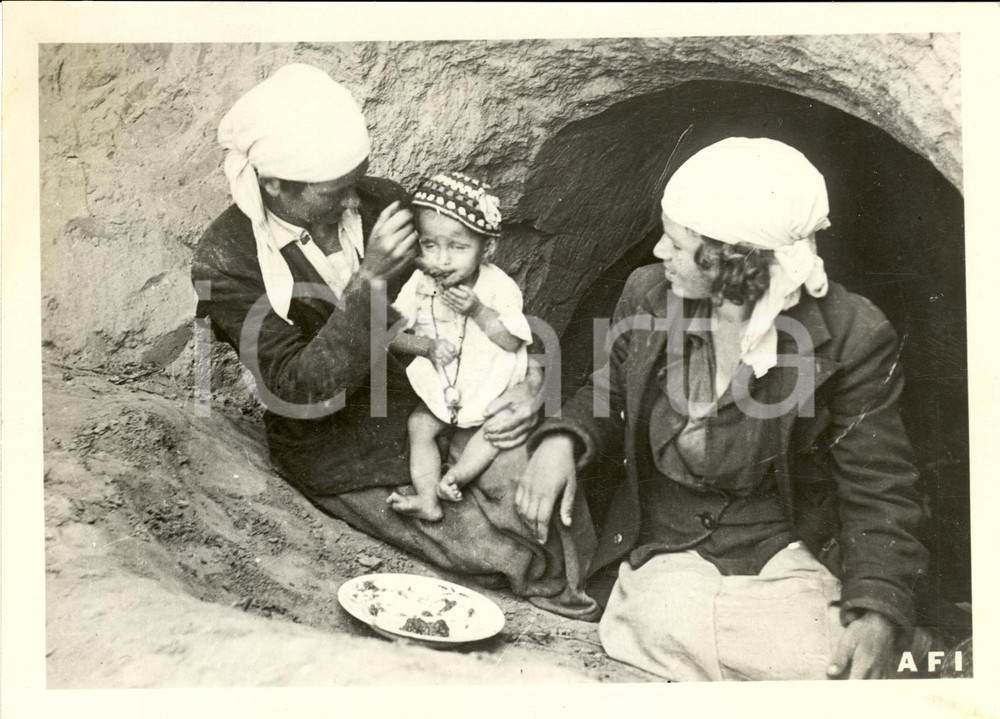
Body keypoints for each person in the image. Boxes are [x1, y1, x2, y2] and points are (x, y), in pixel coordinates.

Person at [191, 63, 596, 619]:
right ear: (274, 184)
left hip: (436, 392)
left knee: (539, 505)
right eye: (335, 191)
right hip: (340, 437)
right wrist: (370, 281)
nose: (351, 201)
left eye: (356, 181)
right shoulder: (226, 261)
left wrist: (530, 384)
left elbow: (481, 295)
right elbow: (297, 388)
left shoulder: (381, 201)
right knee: (501, 552)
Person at [517, 137, 928, 680]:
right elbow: (611, 389)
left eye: (675, 243)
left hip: (782, 553)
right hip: (667, 544)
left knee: (824, 654)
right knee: (669, 618)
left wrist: (878, 606)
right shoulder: (649, 294)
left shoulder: (852, 333)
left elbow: (877, 484)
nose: (658, 253)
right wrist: (561, 438)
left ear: (731, 258)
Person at [387, 172, 532, 521]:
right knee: (419, 425)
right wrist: (425, 346)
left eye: (458, 247)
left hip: (491, 381)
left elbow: (511, 340)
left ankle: (458, 476)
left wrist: (479, 311)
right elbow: (389, 335)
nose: (442, 260)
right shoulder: (420, 283)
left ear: (488, 248)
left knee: (496, 427)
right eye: (430, 245)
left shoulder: (499, 287)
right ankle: (427, 498)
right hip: (445, 383)